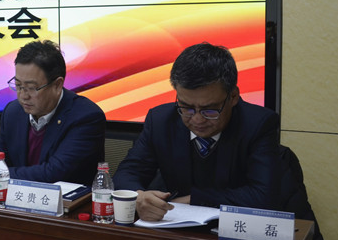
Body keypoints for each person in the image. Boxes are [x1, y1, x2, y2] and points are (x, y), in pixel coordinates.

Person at [112, 43, 282, 221]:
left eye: (210, 110)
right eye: (186, 107)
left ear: (233, 97)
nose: (197, 119)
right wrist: (139, 196)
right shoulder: (160, 121)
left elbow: (264, 197)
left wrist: (194, 200)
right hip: (175, 228)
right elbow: (126, 174)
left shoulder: (258, 124)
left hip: (236, 229)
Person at [0, 40, 105, 186]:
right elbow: (5, 161)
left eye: (31, 88)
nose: (23, 96)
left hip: (68, 199)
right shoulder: (13, 112)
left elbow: (55, 172)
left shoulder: (86, 116)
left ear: (57, 85)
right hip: (18, 197)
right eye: (18, 85)